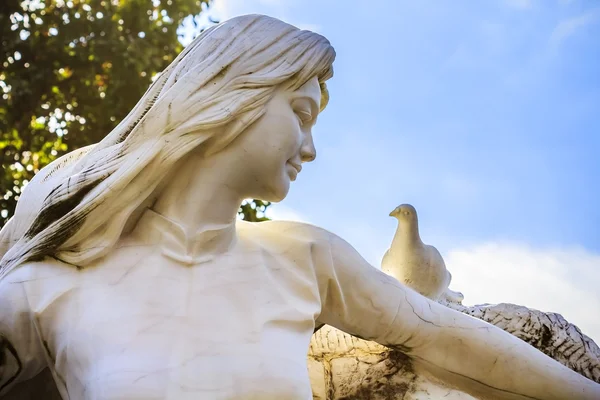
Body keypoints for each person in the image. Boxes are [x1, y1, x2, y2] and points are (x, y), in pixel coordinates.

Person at [0, 14, 598, 400]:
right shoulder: (48, 286)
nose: (310, 149)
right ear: (234, 94)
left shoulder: (303, 257)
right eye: (302, 114)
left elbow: (442, 333)